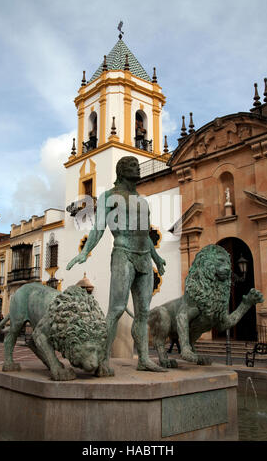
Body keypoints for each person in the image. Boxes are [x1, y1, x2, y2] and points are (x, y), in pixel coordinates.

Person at [67, 156, 167, 376]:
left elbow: (145, 234)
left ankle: (143, 359)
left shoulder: (141, 200)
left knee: (142, 312)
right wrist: (85, 252)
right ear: (121, 171)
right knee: (116, 309)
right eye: (132, 166)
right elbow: (99, 228)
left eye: (137, 165)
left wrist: (157, 258)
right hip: (123, 254)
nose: (137, 169)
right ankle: (103, 359)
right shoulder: (108, 197)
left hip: (144, 259)